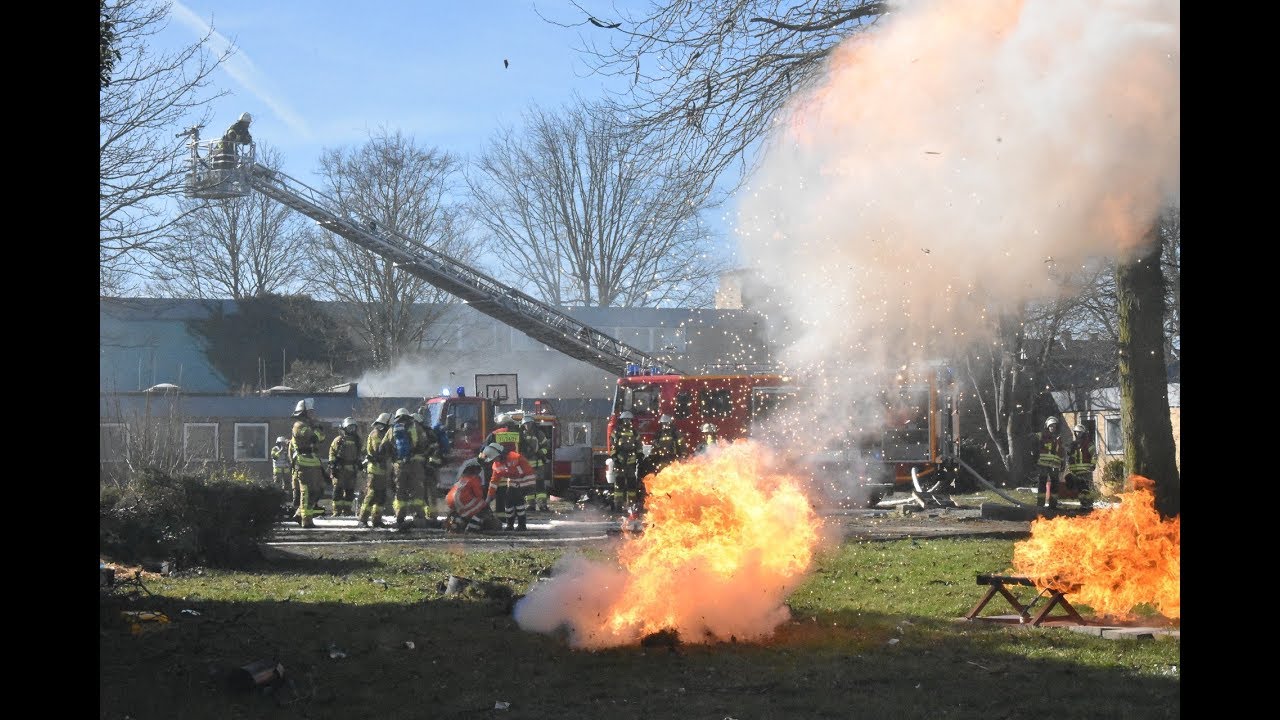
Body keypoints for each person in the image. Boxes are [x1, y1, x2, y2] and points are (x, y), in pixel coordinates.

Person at [380, 408, 434, 532]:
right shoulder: (416, 427)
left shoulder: (392, 429)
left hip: (399, 466)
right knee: (417, 491)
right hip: (416, 465)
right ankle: (419, 517)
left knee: (400, 491)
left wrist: (392, 458)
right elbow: (426, 443)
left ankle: (400, 517)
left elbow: (383, 448)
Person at [289, 398, 327, 528]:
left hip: (314, 463)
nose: (313, 414)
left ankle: (300, 514)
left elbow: (322, 438)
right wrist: (316, 428)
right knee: (307, 491)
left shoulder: (309, 426)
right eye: (310, 412)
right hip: (304, 464)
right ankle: (306, 520)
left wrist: (316, 429)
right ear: (303, 413)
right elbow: (314, 437)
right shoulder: (299, 426)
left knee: (317, 490)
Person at [482, 442, 536, 531]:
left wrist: (511, 474)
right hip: (514, 482)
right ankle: (510, 525)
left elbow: (523, 471)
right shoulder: (496, 465)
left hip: (526, 481)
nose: (494, 460)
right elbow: (494, 482)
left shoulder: (514, 457)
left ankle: (521, 525)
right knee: (508, 502)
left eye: (495, 458)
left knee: (517, 500)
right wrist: (489, 497)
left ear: (499, 454)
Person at [479, 412, 522, 514]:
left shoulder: (494, 434)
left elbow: (484, 450)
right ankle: (514, 516)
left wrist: (481, 460)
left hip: (499, 468)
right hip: (515, 468)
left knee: (499, 492)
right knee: (514, 494)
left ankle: (501, 516)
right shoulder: (518, 435)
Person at [357, 413, 393, 528]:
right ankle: (362, 519)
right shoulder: (376, 434)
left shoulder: (383, 434)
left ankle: (376, 519)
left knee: (381, 496)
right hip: (375, 469)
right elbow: (379, 451)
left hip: (382, 470)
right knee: (372, 494)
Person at [443, 460, 499, 534]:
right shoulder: (474, 479)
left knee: (464, 512)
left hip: (449, 500)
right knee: (481, 506)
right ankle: (471, 528)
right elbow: (479, 495)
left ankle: (456, 525)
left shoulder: (462, 479)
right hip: (461, 500)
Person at [328, 417, 362, 517]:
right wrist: (332, 464)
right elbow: (332, 452)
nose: (352, 430)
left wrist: (360, 463)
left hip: (352, 469)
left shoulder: (357, 441)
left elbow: (361, 452)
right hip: (340, 468)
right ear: (344, 428)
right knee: (338, 490)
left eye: (353, 427)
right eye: (349, 427)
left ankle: (347, 510)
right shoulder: (339, 440)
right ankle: (336, 511)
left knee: (349, 491)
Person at [609, 411, 642, 513]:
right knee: (619, 484)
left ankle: (631, 506)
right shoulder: (617, 432)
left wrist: (640, 455)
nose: (627, 422)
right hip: (619, 460)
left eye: (629, 420)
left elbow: (638, 445)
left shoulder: (634, 432)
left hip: (631, 462)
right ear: (622, 421)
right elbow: (612, 445)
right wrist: (614, 457)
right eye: (625, 420)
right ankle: (618, 506)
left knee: (632, 484)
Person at [640, 414, 683, 490]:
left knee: (672, 478)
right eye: (663, 423)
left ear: (670, 423)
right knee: (661, 477)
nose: (665, 425)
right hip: (661, 459)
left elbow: (681, 445)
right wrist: (652, 456)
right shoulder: (658, 434)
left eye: (666, 423)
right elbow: (654, 446)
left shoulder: (675, 433)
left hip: (672, 458)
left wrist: (682, 456)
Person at [520, 417, 552, 512]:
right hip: (526, 466)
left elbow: (547, 446)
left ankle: (542, 505)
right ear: (523, 425)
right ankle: (531, 505)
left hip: (538, 465)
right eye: (525, 424)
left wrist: (542, 452)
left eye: (529, 423)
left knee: (540, 486)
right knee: (528, 486)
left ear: (533, 424)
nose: (527, 426)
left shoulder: (539, 434)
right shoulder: (521, 436)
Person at [1034, 416, 1066, 509]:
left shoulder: (1058, 438)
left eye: (1054, 426)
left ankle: (1053, 505)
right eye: (1051, 426)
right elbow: (1033, 440)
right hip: (1043, 464)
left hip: (1055, 465)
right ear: (1047, 426)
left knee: (1055, 485)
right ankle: (1040, 504)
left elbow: (1061, 452)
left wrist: (1063, 462)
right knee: (1042, 484)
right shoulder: (1042, 435)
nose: (1052, 428)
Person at [1066, 423, 1098, 510]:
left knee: (1086, 489)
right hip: (1076, 471)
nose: (1077, 434)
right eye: (1076, 432)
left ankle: (1089, 505)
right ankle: (1083, 504)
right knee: (1080, 489)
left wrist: (1092, 464)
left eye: (1079, 432)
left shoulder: (1088, 444)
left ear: (1083, 433)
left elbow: (1094, 455)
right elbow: (1068, 455)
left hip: (1085, 471)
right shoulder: (1074, 444)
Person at [270, 435, 292, 508]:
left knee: (287, 485)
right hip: (278, 470)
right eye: (281, 443)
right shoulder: (275, 449)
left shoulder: (287, 450)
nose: (282, 445)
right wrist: (281, 451)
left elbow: (289, 459)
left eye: (283, 443)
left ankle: (285, 500)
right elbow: (274, 457)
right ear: (278, 443)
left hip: (286, 470)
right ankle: (276, 499)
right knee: (277, 485)